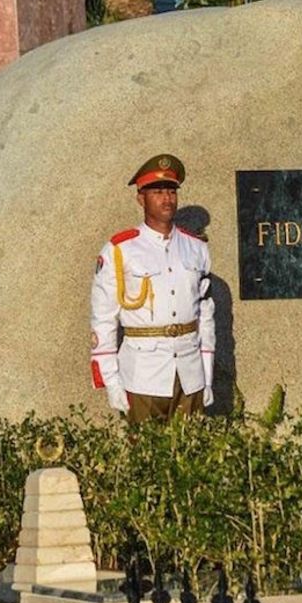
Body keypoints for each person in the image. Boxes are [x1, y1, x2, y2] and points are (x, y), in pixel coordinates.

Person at [89, 154, 216, 423]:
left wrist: (207, 375)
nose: (166, 199)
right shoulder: (120, 250)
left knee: (191, 457)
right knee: (145, 459)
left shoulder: (197, 249)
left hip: (189, 375)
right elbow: (103, 320)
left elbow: (205, 316)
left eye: (171, 191)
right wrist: (111, 381)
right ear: (141, 198)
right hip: (142, 376)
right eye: (157, 192)